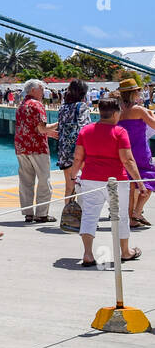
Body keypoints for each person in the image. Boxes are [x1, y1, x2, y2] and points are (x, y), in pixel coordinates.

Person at [66, 94, 143, 266]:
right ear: (116, 113)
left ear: (100, 112)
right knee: (121, 216)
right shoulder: (120, 132)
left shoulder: (86, 131)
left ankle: (87, 254)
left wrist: (73, 176)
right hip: (116, 182)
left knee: (89, 215)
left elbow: (78, 158)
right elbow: (128, 160)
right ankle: (125, 252)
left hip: (90, 179)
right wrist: (140, 182)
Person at [14, 79, 58, 223]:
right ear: (33, 90)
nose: (43, 91)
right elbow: (41, 128)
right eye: (41, 88)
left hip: (21, 147)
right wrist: (58, 123)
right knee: (44, 180)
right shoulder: (37, 104)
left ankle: (28, 212)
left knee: (26, 181)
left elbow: (31, 128)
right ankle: (41, 213)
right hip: (37, 147)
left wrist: (47, 132)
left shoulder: (21, 106)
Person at [115, 79, 155, 228]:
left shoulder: (118, 110)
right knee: (150, 180)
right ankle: (137, 212)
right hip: (140, 151)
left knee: (130, 186)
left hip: (123, 151)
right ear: (133, 93)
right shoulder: (138, 110)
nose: (139, 93)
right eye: (137, 91)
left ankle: (131, 218)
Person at [55, 79, 91, 219]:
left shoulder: (63, 108)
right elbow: (85, 129)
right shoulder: (82, 107)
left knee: (69, 186)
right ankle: (86, 215)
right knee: (87, 183)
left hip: (64, 150)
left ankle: (68, 216)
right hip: (80, 150)